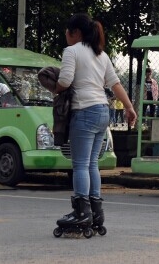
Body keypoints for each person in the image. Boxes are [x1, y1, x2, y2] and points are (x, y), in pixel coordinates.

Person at [54, 13, 136, 235]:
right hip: (102, 111)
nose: (65, 35)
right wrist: (129, 107)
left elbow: (64, 80)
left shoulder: (71, 51)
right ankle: (96, 212)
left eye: (67, 31)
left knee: (79, 164)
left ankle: (81, 211)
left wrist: (55, 89)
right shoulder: (101, 54)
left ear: (76, 33)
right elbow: (115, 84)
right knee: (91, 163)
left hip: (84, 110)